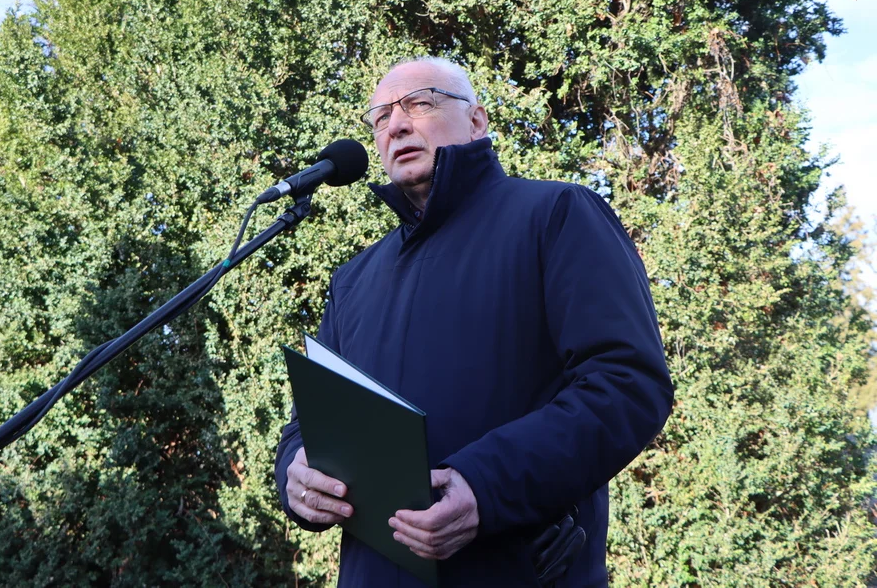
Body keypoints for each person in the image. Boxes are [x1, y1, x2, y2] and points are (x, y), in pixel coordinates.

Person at [273, 56, 674, 587]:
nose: (396, 124)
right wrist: (295, 473)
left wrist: (484, 487)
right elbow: (312, 422)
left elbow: (627, 384)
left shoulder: (556, 214)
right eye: (379, 118)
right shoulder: (354, 280)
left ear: (477, 121)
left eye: (419, 103)